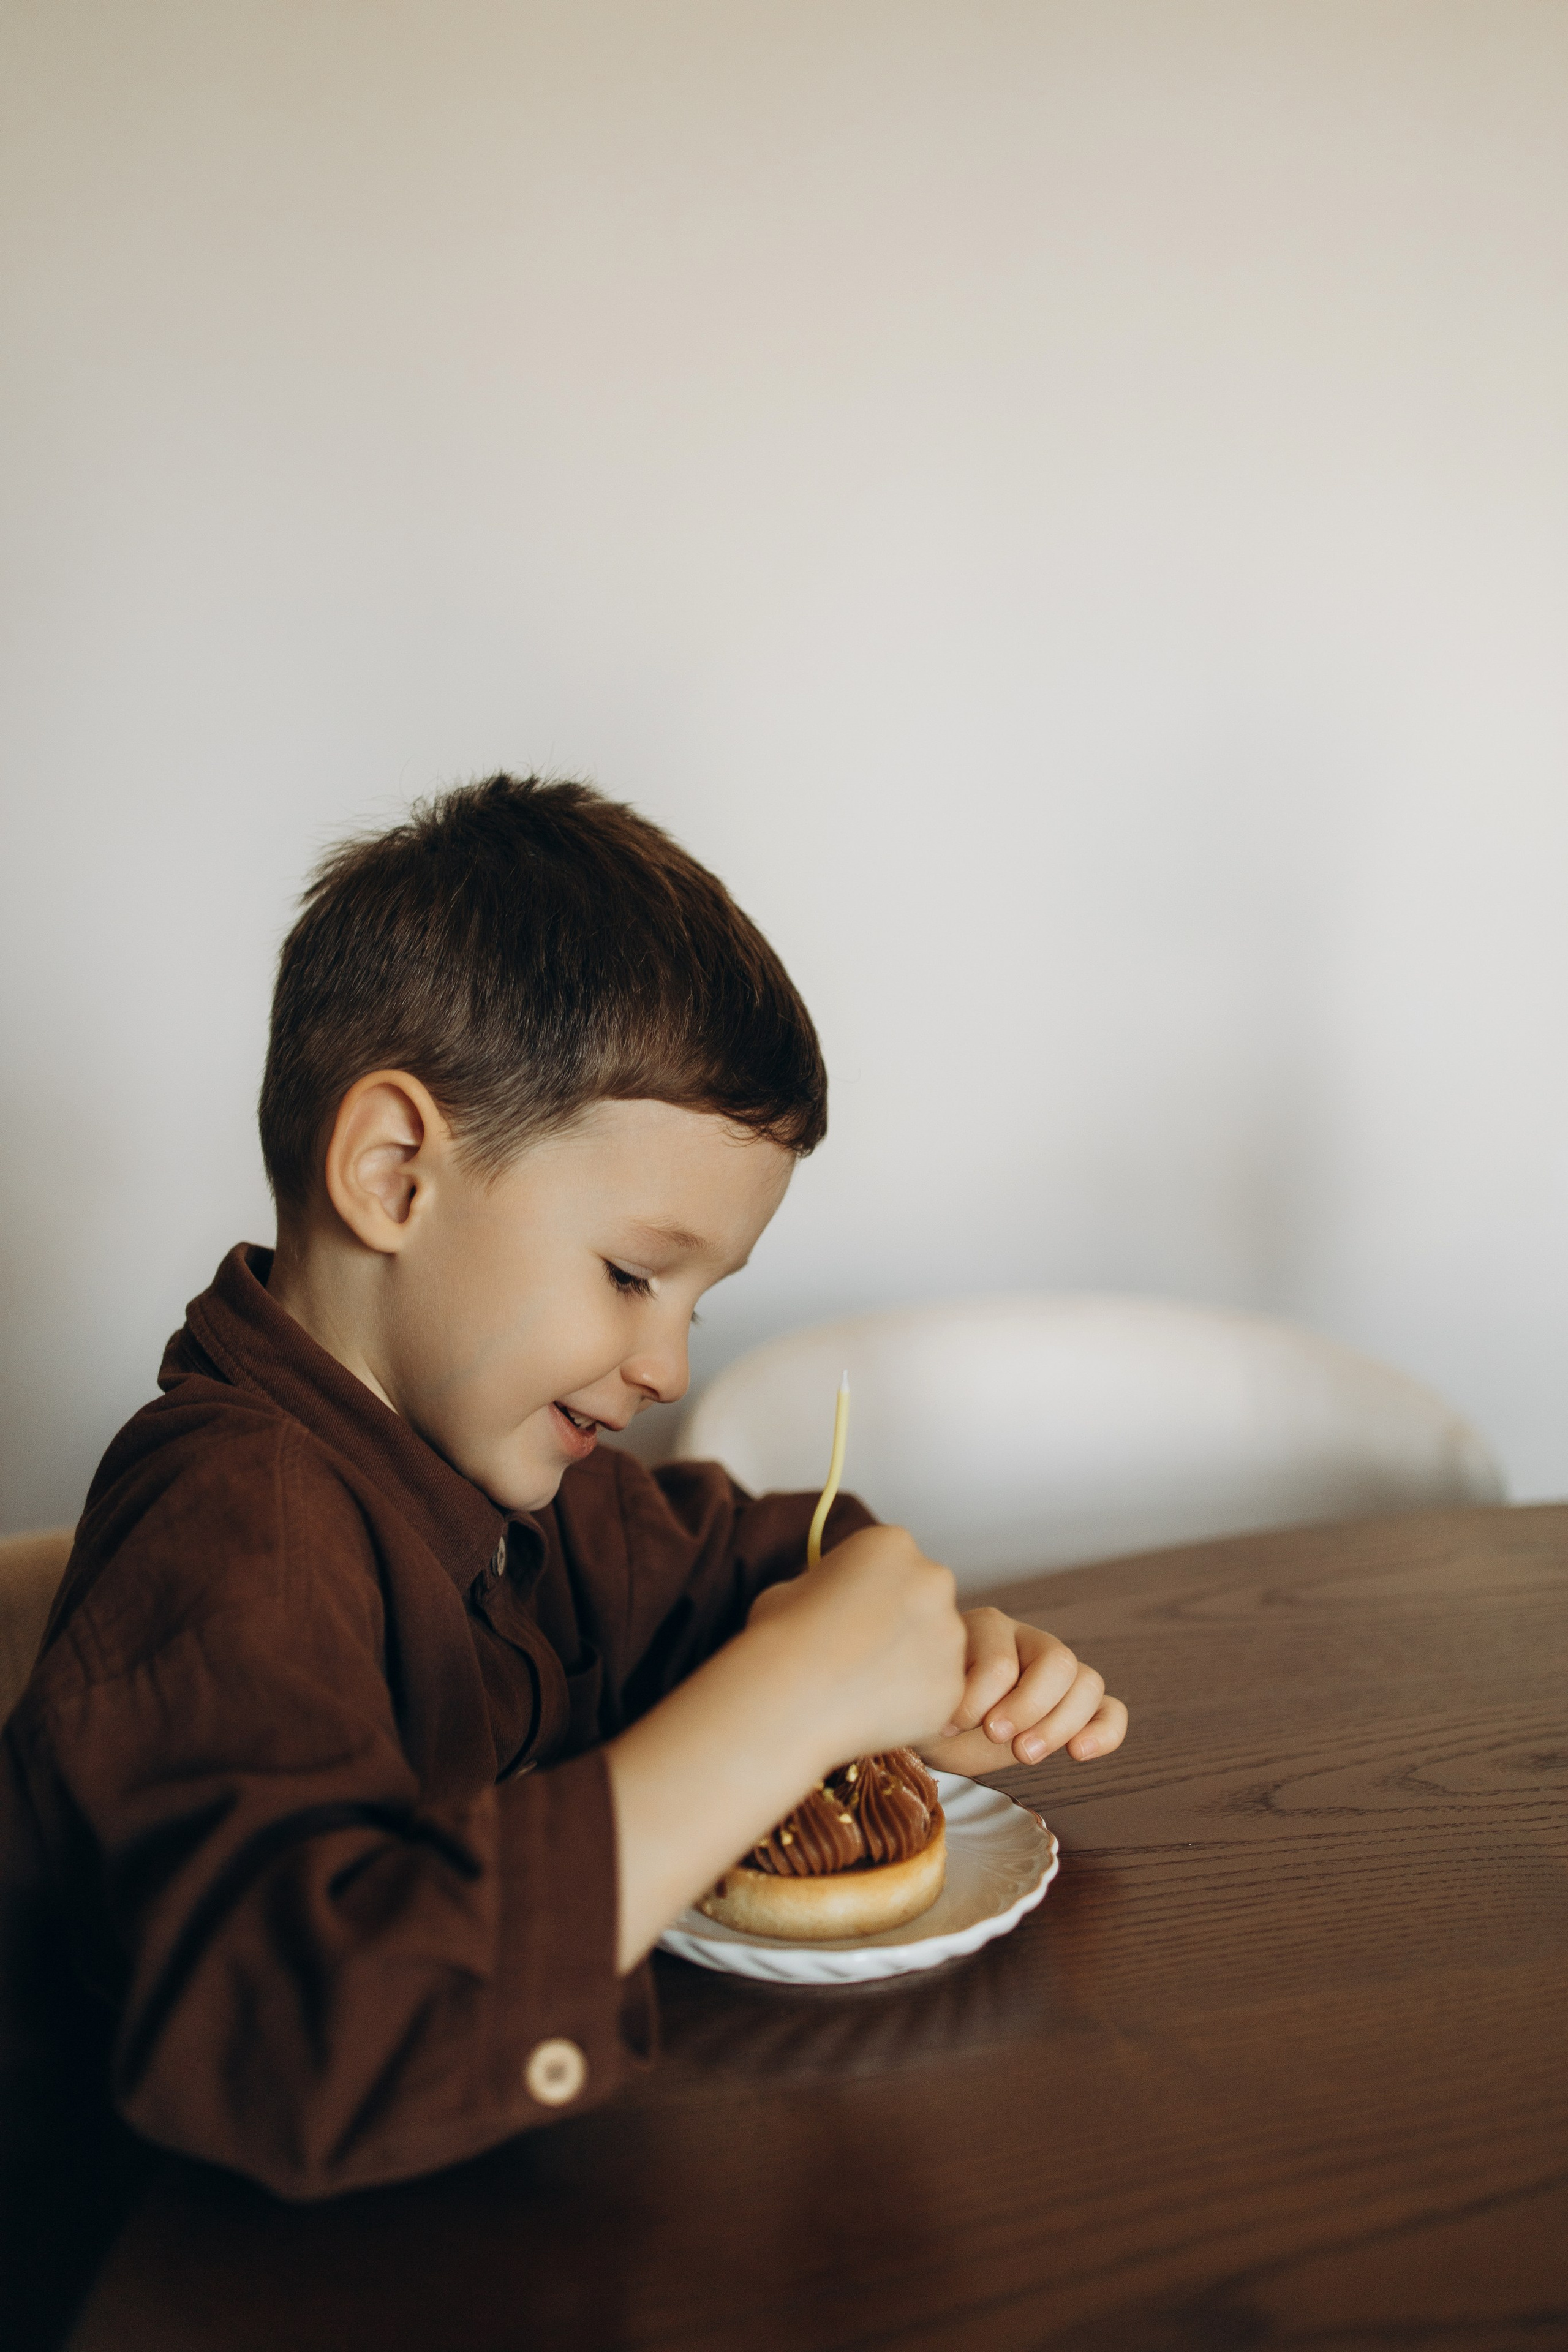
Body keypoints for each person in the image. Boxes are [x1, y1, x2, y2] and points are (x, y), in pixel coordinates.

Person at [1, 775, 1127, 2239]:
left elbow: (735, 1564)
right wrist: (786, 1704)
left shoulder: (497, 1473)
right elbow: (295, 2042)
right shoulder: (235, 1527)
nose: (665, 1365)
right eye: (627, 1275)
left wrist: (909, 1663)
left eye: (698, 1304)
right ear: (393, 1174)